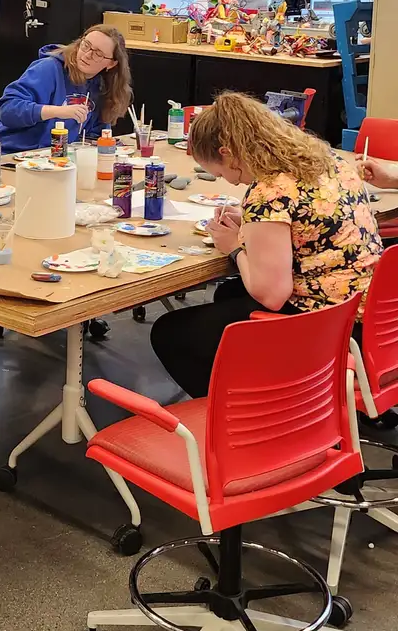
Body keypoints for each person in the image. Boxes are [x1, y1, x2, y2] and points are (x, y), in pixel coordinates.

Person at [150, 91, 383, 400]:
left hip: (330, 325)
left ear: (228, 152)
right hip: (372, 312)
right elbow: (305, 225)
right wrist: (252, 225)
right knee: (228, 293)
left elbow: (272, 295)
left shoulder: (269, 192)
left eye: (222, 173)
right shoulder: (327, 160)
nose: (232, 183)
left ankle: (246, 419)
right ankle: (262, 389)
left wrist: (234, 246)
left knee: (171, 334)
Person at [0, 25, 131, 153]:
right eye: (86, 45)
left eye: (98, 54)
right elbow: (7, 109)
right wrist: (57, 111)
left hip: (57, 158)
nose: (87, 55)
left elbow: (95, 136)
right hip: (12, 154)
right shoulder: (48, 68)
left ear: (111, 64)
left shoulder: (102, 87)